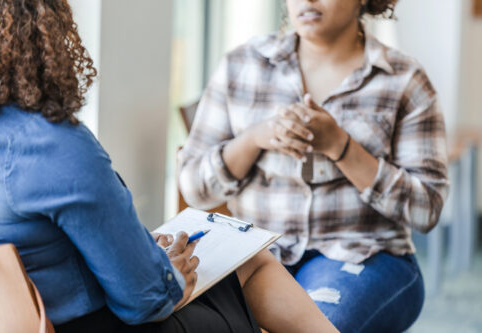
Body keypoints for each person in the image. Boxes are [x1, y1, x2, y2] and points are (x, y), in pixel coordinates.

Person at [0, 1, 338, 333]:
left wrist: (136, 251)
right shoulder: (55, 144)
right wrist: (165, 273)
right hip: (103, 322)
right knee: (252, 260)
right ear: (45, 32)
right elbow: (146, 301)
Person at [178, 0, 449, 332]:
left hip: (365, 255)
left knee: (316, 325)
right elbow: (192, 187)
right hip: (255, 254)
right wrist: (253, 139)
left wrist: (341, 146)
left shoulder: (404, 79)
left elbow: (427, 210)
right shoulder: (241, 65)